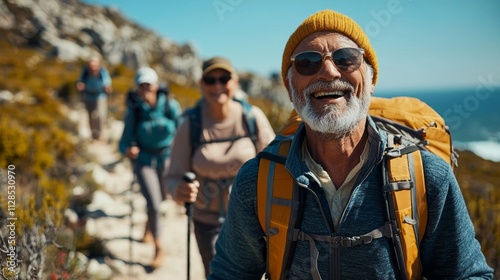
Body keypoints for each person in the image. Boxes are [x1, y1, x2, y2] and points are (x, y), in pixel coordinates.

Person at [208, 10, 494, 279]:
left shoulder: (427, 177)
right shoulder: (257, 181)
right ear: (289, 88)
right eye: (308, 62)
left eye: (346, 59)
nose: (329, 72)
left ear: (370, 80)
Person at [166, 56, 276, 278]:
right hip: (207, 222)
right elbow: (171, 177)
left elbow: (276, 166)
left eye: (224, 78)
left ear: (234, 82)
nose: (217, 86)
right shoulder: (190, 124)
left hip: (253, 220)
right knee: (218, 272)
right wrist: (180, 191)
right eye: (210, 80)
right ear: (201, 85)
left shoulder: (252, 118)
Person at [118, 66, 182, 268]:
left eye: (149, 84)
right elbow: (123, 142)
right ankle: (158, 247)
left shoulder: (170, 106)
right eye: (141, 85)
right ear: (137, 88)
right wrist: (128, 150)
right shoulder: (134, 111)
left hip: (167, 159)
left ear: (156, 86)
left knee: (162, 198)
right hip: (144, 161)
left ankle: (148, 226)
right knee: (154, 204)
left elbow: (183, 132)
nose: (145, 89)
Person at [76, 56, 113, 143]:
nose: (93, 66)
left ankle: (100, 133)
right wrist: (80, 84)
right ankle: (93, 134)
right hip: (88, 96)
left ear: (98, 64)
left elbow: (106, 80)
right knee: (90, 116)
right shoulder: (86, 71)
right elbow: (81, 80)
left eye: (94, 64)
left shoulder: (102, 71)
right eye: (91, 64)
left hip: (100, 96)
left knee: (100, 115)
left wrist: (107, 86)